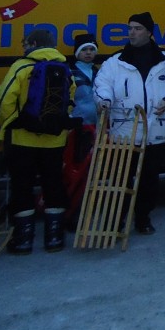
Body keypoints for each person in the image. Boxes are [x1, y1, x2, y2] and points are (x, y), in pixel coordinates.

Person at [93, 12, 165, 235]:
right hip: (123, 132)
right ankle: (117, 219)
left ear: (149, 32)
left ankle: (143, 217)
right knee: (120, 179)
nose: (132, 32)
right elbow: (102, 83)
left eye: (137, 28)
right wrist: (104, 100)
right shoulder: (116, 61)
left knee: (148, 179)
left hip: (154, 130)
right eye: (130, 28)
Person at [0, 27, 73, 254]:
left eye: (26, 43)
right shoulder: (65, 68)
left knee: (22, 186)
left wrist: (7, 124)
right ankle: (54, 238)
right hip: (54, 141)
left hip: (22, 139)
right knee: (53, 184)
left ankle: (23, 240)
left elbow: (4, 100)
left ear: (34, 44)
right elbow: (70, 101)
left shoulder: (21, 67)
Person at [61, 32, 99, 230]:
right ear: (77, 52)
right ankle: (70, 214)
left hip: (96, 129)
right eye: (84, 49)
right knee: (74, 173)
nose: (88, 53)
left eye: (92, 49)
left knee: (90, 174)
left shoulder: (99, 71)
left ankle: (82, 211)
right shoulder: (69, 72)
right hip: (78, 130)